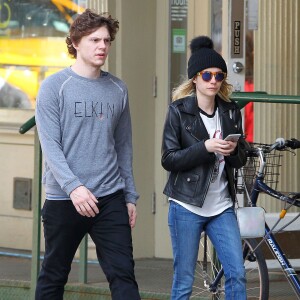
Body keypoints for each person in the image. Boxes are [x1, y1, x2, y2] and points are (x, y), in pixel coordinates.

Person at [35, 9, 140, 300]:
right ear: (75, 42)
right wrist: (74, 188)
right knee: (54, 275)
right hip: (64, 198)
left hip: (109, 197)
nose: (102, 46)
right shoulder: (54, 87)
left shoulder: (118, 88)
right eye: (94, 40)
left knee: (123, 274)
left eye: (106, 40)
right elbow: (50, 145)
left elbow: (123, 145)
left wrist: (129, 195)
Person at [161, 36, 248, 299]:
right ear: (195, 79)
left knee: (237, 273)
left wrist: (234, 151)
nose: (213, 81)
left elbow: (241, 159)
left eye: (219, 76)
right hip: (186, 206)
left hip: (221, 206)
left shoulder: (231, 112)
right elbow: (169, 158)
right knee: (184, 279)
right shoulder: (178, 112)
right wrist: (205, 148)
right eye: (207, 75)